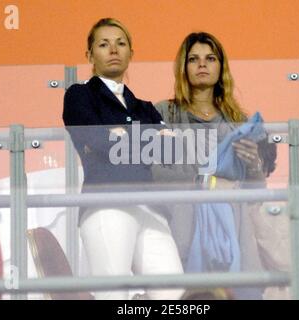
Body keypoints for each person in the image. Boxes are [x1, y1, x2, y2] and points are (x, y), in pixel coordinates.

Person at [62, 18, 183, 300]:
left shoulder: (144, 106)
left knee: (174, 295)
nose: (113, 49)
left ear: (131, 53)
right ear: (90, 56)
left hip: (150, 207)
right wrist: (147, 139)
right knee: (113, 295)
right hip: (107, 202)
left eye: (121, 43)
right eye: (103, 44)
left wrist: (121, 136)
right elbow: (96, 141)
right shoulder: (79, 95)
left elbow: (172, 152)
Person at [153, 32, 277, 299]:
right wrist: (198, 179)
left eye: (210, 58)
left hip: (235, 225)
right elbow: (149, 171)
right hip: (179, 221)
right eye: (194, 59)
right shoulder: (162, 113)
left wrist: (253, 165)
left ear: (221, 67)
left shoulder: (241, 121)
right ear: (183, 68)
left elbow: (257, 189)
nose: (202, 65)